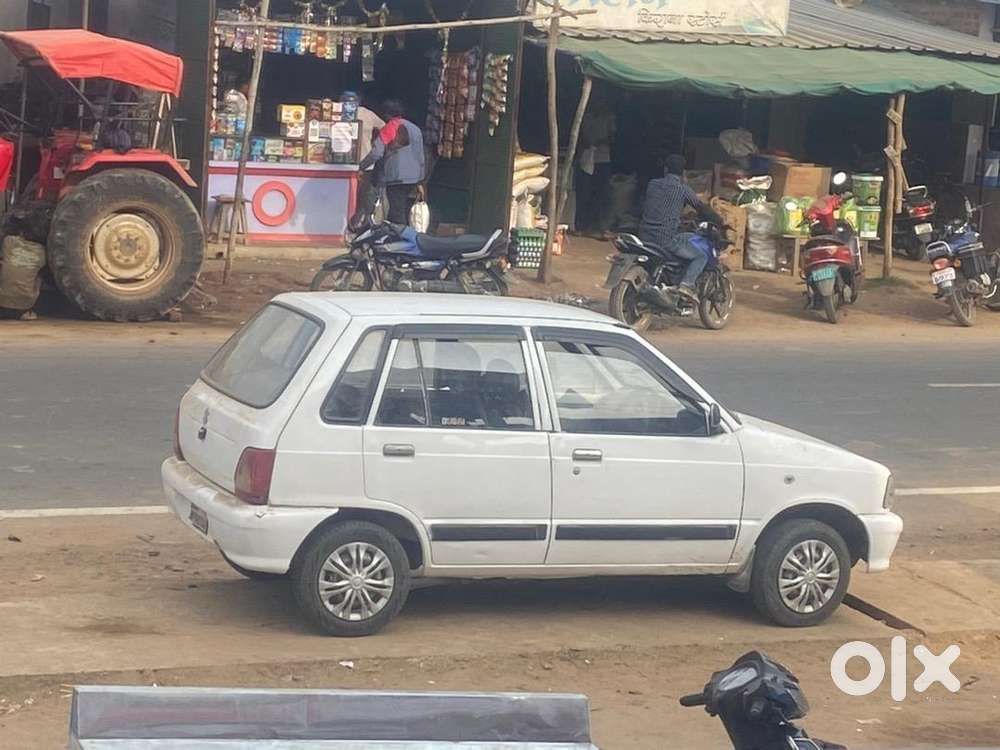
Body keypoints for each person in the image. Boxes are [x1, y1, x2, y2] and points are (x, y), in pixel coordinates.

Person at [638, 154, 725, 302]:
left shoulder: (652, 184)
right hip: (665, 239)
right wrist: (719, 220)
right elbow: (701, 207)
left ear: (665, 170)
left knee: (684, 236)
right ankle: (687, 285)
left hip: (644, 235)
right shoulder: (683, 189)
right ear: (683, 173)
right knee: (700, 256)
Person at [358, 99, 425, 225]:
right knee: (403, 209)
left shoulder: (391, 127)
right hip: (414, 177)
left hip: (396, 177)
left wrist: (361, 166)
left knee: (395, 213)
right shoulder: (415, 129)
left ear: (387, 114)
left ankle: (400, 235)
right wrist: (421, 180)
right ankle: (401, 232)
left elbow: (376, 153)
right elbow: (420, 156)